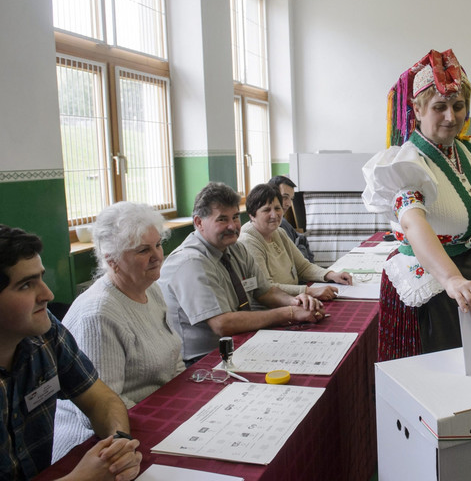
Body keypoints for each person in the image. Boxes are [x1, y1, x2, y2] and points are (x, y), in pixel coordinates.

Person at [362, 49, 471, 361]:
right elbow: (413, 224)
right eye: (439, 107)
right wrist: (452, 279)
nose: (451, 117)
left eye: (458, 107)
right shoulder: (406, 163)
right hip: (435, 283)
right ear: (417, 109)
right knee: (447, 374)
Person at [0, 225, 141, 481]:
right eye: (25, 286)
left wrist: (118, 445)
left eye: (40, 278)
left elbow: (101, 400)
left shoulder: (45, 332)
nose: (48, 294)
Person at [53, 202, 185, 461]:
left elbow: (173, 359)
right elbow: (100, 411)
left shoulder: (150, 288)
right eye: (143, 250)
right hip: (99, 446)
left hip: (153, 416)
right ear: (112, 260)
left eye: (158, 244)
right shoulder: (99, 314)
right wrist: (165, 421)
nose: (157, 255)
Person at [158, 182, 325, 365]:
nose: (232, 226)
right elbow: (222, 324)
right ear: (199, 223)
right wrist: (289, 313)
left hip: (242, 343)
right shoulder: (190, 263)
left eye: (235, 217)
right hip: (203, 360)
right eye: (222, 219)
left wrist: (296, 301)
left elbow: (265, 292)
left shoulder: (237, 249)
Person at [239, 183, 352, 301]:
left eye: (277, 208)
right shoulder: (248, 241)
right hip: (271, 309)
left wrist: (331, 275)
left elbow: (303, 267)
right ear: (252, 215)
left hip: (294, 299)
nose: (275, 215)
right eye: (267, 210)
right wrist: (310, 291)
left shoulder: (279, 232)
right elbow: (266, 288)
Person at [268, 175, 315, 262]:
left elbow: (302, 240)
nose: (289, 204)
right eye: (285, 197)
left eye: (291, 199)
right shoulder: (268, 228)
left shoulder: (283, 222)